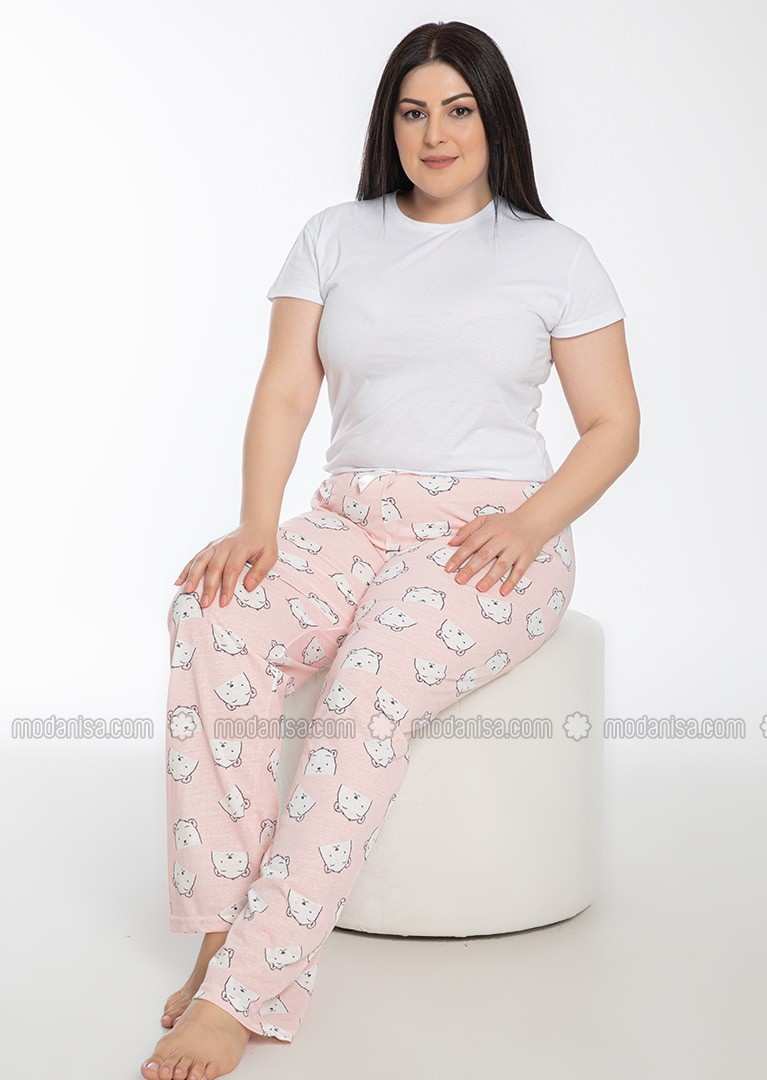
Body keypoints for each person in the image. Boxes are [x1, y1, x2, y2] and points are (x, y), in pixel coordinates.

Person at [141, 18, 639, 1080]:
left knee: (370, 678)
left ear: (494, 120)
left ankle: (248, 992)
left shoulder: (554, 255)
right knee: (212, 615)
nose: (435, 133)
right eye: (413, 112)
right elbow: (286, 391)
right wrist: (259, 524)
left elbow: (612, 426)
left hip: (492, 536)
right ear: (389, 124)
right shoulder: (332, 236)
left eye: (458, 109)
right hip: (348, 522)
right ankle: (223, 934)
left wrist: (530, 525)